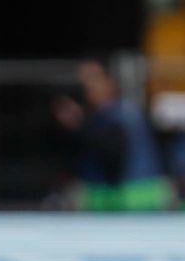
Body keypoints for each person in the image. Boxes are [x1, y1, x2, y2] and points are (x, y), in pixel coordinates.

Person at [52, 59, 171, 211]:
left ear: (110, 82)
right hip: (126, 203)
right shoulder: (111, 114)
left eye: (92, 79)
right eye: (83, 82)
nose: (87, 87)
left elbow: (112, 158)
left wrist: (79, 126)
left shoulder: (118, 117)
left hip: (131, 203)